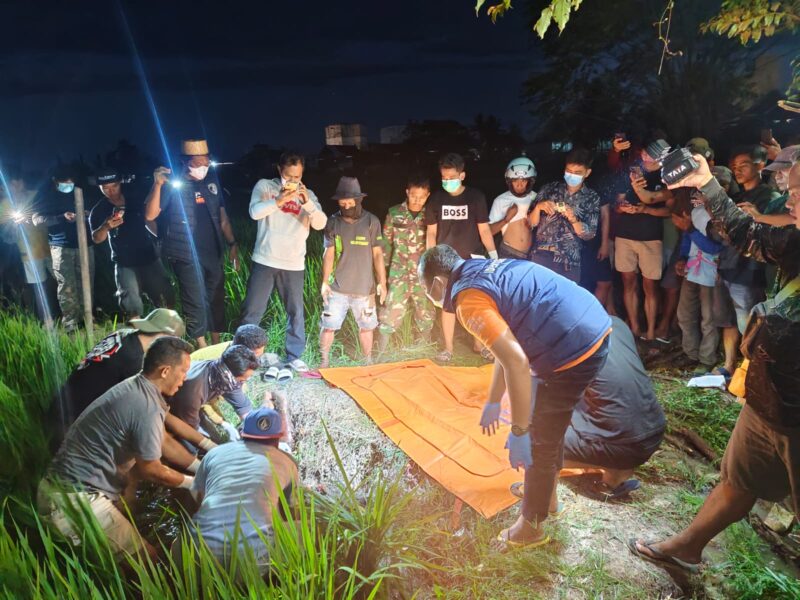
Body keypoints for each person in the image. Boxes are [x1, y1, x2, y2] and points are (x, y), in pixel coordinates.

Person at [629, 154, 800, 575]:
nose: (791, 203)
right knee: (738, 480)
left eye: (797, 193)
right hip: (770, 399)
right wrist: (706, 183)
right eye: (790, 192)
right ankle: (687, 546)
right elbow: (745, 234)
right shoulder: (796, 240)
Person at [418, 245, 611, 547]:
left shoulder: (468, 302)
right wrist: (494, 400)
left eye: (424, 289)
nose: (428, 297)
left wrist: (520, 430)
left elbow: (518, 363)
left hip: (573, 345)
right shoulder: (482, 269)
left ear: (438, 284)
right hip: (590, 322)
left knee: (540, 435)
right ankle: (546, 497)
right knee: (549, 424)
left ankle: (531, 526)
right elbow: (504, 348)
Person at [38, 336, 196, 559]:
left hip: (61, 490)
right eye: (183, 371)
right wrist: (194, 483)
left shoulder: (136, 387)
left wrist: (202, 465)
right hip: (74, 500)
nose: (185, 378)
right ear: (165, 371)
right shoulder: (145, 407)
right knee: (149, 562)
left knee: (122, 552)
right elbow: (151, 469)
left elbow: (164, 442)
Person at [511, 317, 665, 499]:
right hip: (653, 431)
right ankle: (614, 479)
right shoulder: (614, 322)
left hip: (623, 442)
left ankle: (539, 489)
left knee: (527, 443)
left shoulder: (562, 343)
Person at [176, 406, 298, 576]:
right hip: (251, 563)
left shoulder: (214, 454)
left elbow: (195, 498)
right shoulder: (288, 463)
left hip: (197, 553)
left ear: (242, 433)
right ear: (278, 439)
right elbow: (290, 512)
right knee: (301, 529)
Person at [145, 139, 239, 347]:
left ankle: (217, 343)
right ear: (184, 162)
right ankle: (201, 346)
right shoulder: (172, 184)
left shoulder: (211, 183)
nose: (202, 168)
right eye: (197, 163)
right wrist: (157, 183)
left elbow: (222, 218)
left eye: (206, 162)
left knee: (215, 297)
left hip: (213, 251)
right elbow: (150, 215)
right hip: (184, 253)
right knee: (194, 300)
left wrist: (232, 244)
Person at [239, 152, 326, 374]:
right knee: (252, 310)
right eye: (289, 175)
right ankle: (243, 356)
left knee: (295, 311)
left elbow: (321, 223)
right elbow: (254, 212)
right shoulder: (265, 186)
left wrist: (307, 204)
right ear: (280, 170)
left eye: (297, 176)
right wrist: (279, 200)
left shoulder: (309, 195)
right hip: (265, 259)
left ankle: (295, 356)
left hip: (294, 262)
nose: (293, 181)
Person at [55, 308, 185, 442]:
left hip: (62, 403)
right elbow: (145, 419)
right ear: (164, 337)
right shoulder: (135, 363)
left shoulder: (124, 335)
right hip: (75, 425)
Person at [425, 153, 497, 363]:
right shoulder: (436, 199)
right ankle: (448, 349)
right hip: (445, 262)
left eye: (452, 177)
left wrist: (493, 256)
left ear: (462, 175)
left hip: (473, 260)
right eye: (444, 178)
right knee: (448, 305)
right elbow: (431, 232)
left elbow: (484, 230)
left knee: (476, 304)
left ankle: (479, 344)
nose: (448, 182)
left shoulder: (476, 197)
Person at [319, 176, 386, 367]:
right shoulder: (333, 222)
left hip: (364, 289)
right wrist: (325, 282)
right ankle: (324, 361)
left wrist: (382, 282)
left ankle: (368, 361)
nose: (346, 205)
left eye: (350, 202)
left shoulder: (371, 222)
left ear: (359, 200)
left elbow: (378, 255)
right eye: (342, 202)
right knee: (328, 326)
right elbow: (328, 253)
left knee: (367, 327)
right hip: (337, 288)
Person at [90, 168, 174, 319]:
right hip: (124, 262)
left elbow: (150, 216)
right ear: (99, 188)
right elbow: (96, 238)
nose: (110, 191)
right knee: (131, 306)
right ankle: (139, 337)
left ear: (120, 183)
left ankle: (170, 336)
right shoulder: (99, 210)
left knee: (165, 300)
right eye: (105, 188)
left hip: (149, 257)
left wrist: (162, 239)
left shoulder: (134, 197)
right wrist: (106, 226)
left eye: (114, 186)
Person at [613, 140, 672, 342]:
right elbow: (617, 202)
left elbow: (669, 210)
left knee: (650, 286)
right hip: (625, 235)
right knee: (628, 283)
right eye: (644, 153)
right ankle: (635, 326)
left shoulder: (667, 176)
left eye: (650, 155)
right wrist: (622, 207)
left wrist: (646, 209)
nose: (645, 158)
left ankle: (652, 330)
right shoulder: (632, 171)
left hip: (651, 237)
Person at [377, 173, 435, 352]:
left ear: (428, 195)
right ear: (407, 192)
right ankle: (382, 349)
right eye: (413, 195)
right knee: (391, 308)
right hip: (398, 271)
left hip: (423, 272)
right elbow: (385, 242)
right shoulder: (394, 213)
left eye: (421, 197)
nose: (417, 200)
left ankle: (424, 345)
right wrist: (382, 272)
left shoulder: (431, 214)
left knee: (424, 308)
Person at [31, 167, 94, 332]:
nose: (68, 185)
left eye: (71, 182)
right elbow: (37, 219)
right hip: (61, 246)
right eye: (64, 183)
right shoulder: (46, 196)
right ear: (55, 181)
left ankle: (88, 317)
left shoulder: (80, 191)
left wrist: (86, 214)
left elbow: (94, 211)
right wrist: (61, 217)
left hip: (84, 245)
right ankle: (71, 321)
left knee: (87, 281)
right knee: (66, 285)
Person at [529, 147, 599, 284]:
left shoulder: (591, 197)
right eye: (569, 171)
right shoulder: (549, 189)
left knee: (564, 303)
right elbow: (530, 223)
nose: (572, 176)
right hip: (542, 256)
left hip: (568, 262)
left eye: (577, 173)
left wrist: (573, 219)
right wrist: (538, 208)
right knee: (537, 301)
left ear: (587, 173)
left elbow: (589, 234)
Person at [166, 344, 260, 445]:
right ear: (227, 376)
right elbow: (190, 429)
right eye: (242, 380)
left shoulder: (223, 376)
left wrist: (255, 431)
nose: (243, 383)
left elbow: (243, 407)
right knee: (195, 447)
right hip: (171, 407)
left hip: (194, 404)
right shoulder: (194, 392)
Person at [675, 191, 724, 374]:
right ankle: (691, 353)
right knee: (685, 314)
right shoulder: (696, 213)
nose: (696, 196)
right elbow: (687, 240)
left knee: (708, 318)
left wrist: (690, 230)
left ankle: (706, 358)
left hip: (711, 270)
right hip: (692, 267)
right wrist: (681, 257)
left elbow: (715, 247)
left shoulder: (721, 216)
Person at [0, 167, 55, 324]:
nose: (16, 187)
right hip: (27, 252)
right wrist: (12, 224)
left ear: (23, 182)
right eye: (12, 184)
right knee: (37, 286)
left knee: (58, 281)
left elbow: (48, 212)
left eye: (18, 183)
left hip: (51, 246)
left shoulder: (35, 196)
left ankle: (61, 315)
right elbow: (5, 231)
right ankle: (45, 320)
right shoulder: (4, 205)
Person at [488, 157, 537, 259]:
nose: (519, 184)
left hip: (533, 254)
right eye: (515, 180)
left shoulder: (536, 198)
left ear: (530, 181)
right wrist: (506, 219)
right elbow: (489, 232)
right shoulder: (501, 200)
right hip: (509, 253)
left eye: (523, 180)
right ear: (509, 181)